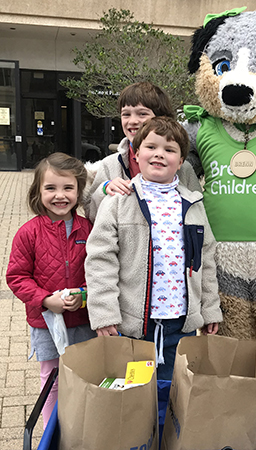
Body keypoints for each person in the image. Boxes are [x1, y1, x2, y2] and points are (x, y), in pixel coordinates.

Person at [85, 117, 222, 380]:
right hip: (132, 325)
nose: (159, 154)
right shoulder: (117, 203)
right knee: (133, 394)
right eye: (151, 147)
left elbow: (205, 260)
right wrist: (104, 313)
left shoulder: (192, 204)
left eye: (170, 150)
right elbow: (100, 261)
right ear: (136, 153)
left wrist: (210, 309)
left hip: (180, 324)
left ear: (180, 162)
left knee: (174, 392)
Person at [6, 152, 96, 428]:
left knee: (84, 375)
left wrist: (84, 295)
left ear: (79, 191)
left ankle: (82, 427)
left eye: (68, 188)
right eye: (51, 188)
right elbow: (17, 277)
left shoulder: (89, 229)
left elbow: (100, 272)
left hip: (84, 321)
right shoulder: (28, 232)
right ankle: (51, 431)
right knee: (51, 379)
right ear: (38, 191)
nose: (60, 195)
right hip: (45, 322)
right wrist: (45, 299)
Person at [83, 81, 201, 222]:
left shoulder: (181, 167)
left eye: (142, 113)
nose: (132, 121)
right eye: (126, 114)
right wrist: (104, 189)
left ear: (161, 118)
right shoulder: (110, 165)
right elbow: (90, 213)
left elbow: (198, 212)